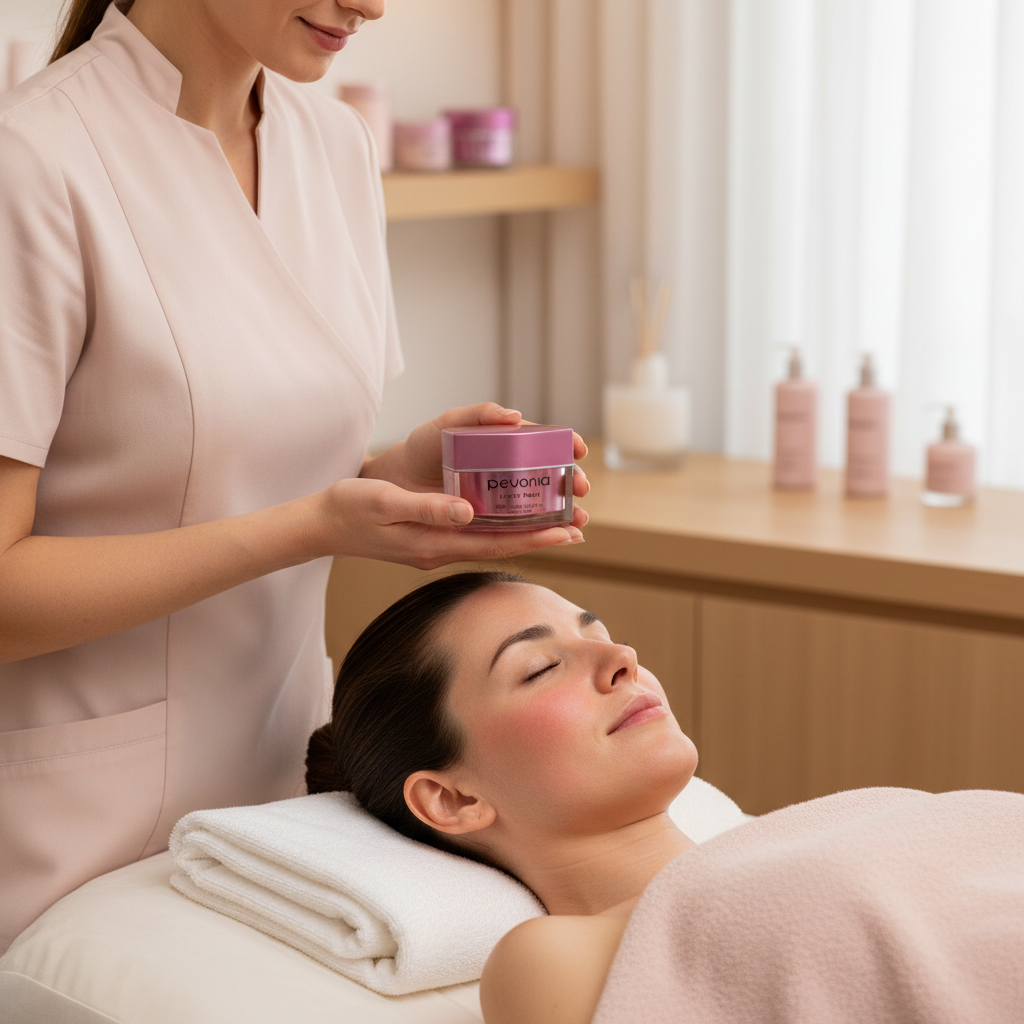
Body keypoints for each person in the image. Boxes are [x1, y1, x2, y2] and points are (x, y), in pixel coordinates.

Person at [0, 0, 587, 951]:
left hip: (285, 806)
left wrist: (397, 475)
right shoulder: (32, 163)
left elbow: (244, 459)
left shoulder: (334, 146)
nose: (373, 4)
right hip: (74, 831)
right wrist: (313, 524)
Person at [306, 571, 1024, 1024]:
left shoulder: (792, 838)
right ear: (453, 800)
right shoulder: (556, 958)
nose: (623, 661)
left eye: (603, 636)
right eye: (542, 666)